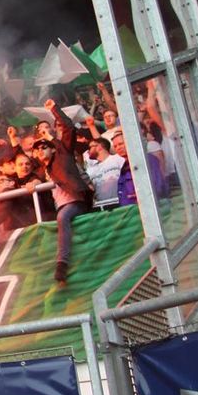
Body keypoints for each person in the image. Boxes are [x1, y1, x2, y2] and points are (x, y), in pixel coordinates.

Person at [29, 100, 94, 284]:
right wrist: (33, 181)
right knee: (58, 217)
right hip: (62, 206)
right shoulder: (43, 170)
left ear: (51, 148)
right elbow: (29, 176)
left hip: (77, 201)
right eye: (37, 149)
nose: (40, 150)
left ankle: (62, 265)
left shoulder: (63, 155)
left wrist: (53, 109)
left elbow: (69, 128)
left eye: (44, 147)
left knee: (62, 217)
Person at [112, 132, 169, 206]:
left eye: (121, 144)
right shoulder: (124, 167)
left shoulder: (147, 159)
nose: (118, 148)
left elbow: (157, 185)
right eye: (115, 146)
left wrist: (141, 196)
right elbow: (122, 195)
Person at [84, 137, 125, 209]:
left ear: (99, 147)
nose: (88, 151)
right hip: (101, 207)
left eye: (90, 147)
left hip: (121, 202)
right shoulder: (90, 170)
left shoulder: (118, 158)